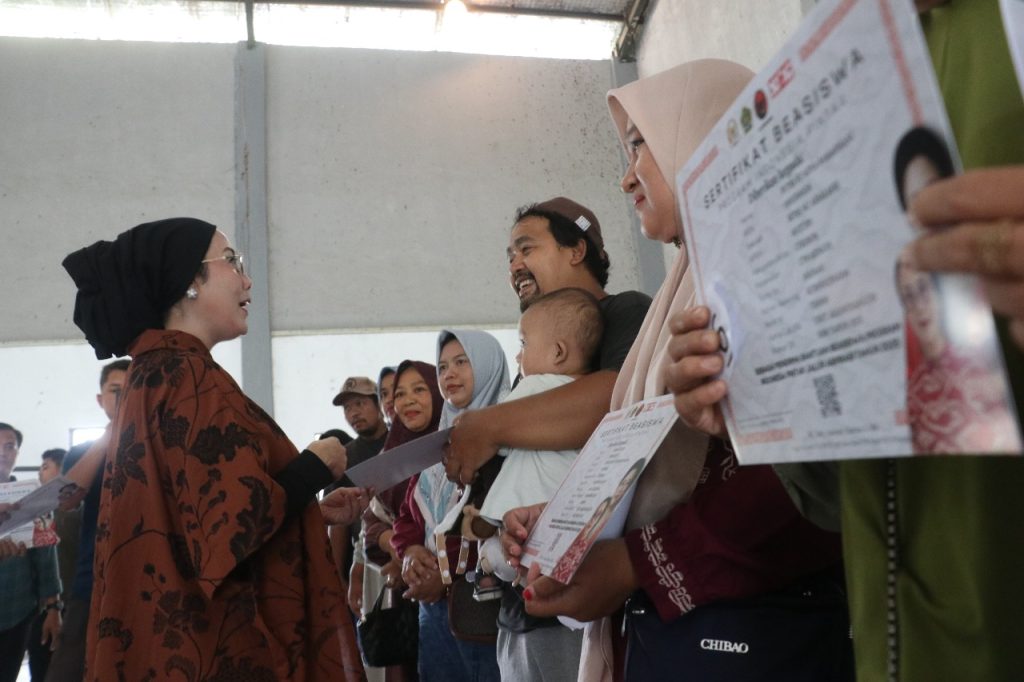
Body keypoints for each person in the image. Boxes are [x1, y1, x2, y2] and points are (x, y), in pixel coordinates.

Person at [667, 4, 1024, 679]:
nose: (629, 174)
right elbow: (853, 496)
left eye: (638, 146)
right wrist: (756, 397)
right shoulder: (836, 90)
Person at [505, 60, 853, 682]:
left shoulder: (778, 268)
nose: (626, 178)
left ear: (705, 137)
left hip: (754, 633)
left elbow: (795, 492)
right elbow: (658, 466)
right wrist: (567, 523)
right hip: (684, 627)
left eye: (641, 144)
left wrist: (631, 562)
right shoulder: (685, 286)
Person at [62, 218, 365, 680]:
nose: (247, 279)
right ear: (189, 282)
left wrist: (311, 513)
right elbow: (234, 529)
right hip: (211, 646)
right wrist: (315, 466)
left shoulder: (153, 372)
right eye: (230, 261)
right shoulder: (188, 377)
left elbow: (190, 528)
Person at [394, 331, 508, 682]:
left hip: (486, 608)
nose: (449, 374)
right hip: (433, 613)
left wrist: (442, 579)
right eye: (442, 366)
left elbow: (500, 525)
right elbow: (407, 518)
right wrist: (410, 552)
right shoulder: (437, 447)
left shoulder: (509, 440)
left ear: (487, 366)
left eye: (462, 362)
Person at [360, 359, 444, 681]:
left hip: (455, 590)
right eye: (400, 394)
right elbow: (370, 525)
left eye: (419, 390)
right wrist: (403, 551)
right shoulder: (390, 454)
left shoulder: (457, 444)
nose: (408, 401)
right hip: (409, 591)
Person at [43, 360, 127, 682]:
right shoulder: (82, 453)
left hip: (147, 579)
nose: (124, 398)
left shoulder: (159, 445)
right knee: (68, 670)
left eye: (132, 390)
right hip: (91, 580)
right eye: (115, 391)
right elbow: (66, 500)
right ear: (100, 399)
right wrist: (110, 435)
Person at [0, 423, 62, 682]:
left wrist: (54, 608)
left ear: (17, 453)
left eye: (9, 446)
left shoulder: (33, 499)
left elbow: (46, 558)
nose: (3, 453)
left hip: (18, 613)